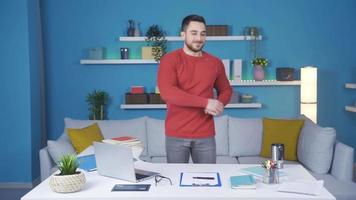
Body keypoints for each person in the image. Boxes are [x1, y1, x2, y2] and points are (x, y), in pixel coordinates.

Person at [157, 14, 232, 164]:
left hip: (205, 135)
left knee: (209, 181)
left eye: (203, 34)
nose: (199, 38)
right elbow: (168, 92)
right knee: (177, 181)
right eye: (194, 33)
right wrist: (205, 103)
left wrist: (219, 104)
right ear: (182, 34)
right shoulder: (169, 60)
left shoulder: (215, 62)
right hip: (176, 134)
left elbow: (226, 90)